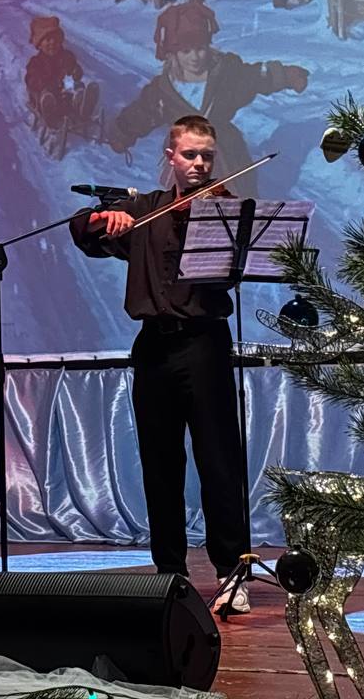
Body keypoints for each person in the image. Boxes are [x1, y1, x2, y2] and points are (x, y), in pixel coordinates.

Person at [70, 115, 252, 614]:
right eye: (190, 155)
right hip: (153, 347)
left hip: (205, 344)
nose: (199, 164)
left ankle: (232, 571)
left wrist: (211, 218)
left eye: (207, 156)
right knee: (160, 464)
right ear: (170, 157)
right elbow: (82, 229)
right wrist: (105, 220)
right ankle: (169, 572)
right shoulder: (145, 209)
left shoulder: (223, 210)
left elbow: (233, 268)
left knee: (219, 461)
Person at [108, 1, 307, 198]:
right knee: (189, 200)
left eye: (200, 48)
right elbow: (143, 112)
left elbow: (256, 76)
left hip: (227, 154)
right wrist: (123, 131)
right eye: (186, 51)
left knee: (236, 196)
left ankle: (241, 215)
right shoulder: (164, 90)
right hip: (186, 158)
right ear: (173, 54)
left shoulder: (226, 76)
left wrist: (285, 76)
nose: (194, 57)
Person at [25, 16, 96, 138]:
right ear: (39, 44)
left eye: (56, 39)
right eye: (48, 40)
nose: (52, 43)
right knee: (46, 95)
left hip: (65, 94)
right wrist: (44, 84)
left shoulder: (67, 56)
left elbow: (74, 69)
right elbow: (31, 80)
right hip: (47, 96)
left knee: (77, 85)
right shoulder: (35, 62)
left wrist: (75, 71)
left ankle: (82, 105)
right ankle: (50, 115)